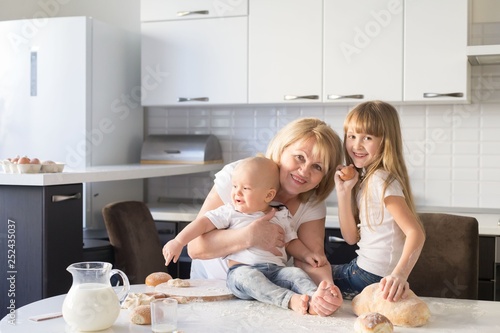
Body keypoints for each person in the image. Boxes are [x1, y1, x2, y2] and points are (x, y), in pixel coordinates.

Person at [184, 118, 344, 316]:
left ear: (324, 177)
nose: (304, 171)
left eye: (317, 167)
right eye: (300, 157)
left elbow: (312, 259)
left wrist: (325, 292)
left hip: (267, 296)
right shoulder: (241, 177)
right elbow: (195, 247)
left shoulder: (311, 202)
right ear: (281, 150)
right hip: (212, 292)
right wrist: (250, 236)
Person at [163, 156, 335, 314]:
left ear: (268, 195)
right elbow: (202, 224)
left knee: (295, 274)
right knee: (248, 279)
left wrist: (307, 254)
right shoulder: (230, 212)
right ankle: (289, 300)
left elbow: (291, 242)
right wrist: (178, 241)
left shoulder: (281, 214)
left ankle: (316, 299)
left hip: (276, 271)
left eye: (245, 188)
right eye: (235, 186)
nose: (237, 193)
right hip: (242, 271)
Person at [333, 100, 426, 302]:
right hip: (367, 272)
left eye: (367, 137)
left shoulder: (380, 179)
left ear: (386, 141)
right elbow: (350, 238)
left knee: (307, 274)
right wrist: (343, 192)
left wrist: (400, 275)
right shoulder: (369, 179)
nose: (356, 145)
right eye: (352, 136)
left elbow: (415, 232)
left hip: (368, 276)